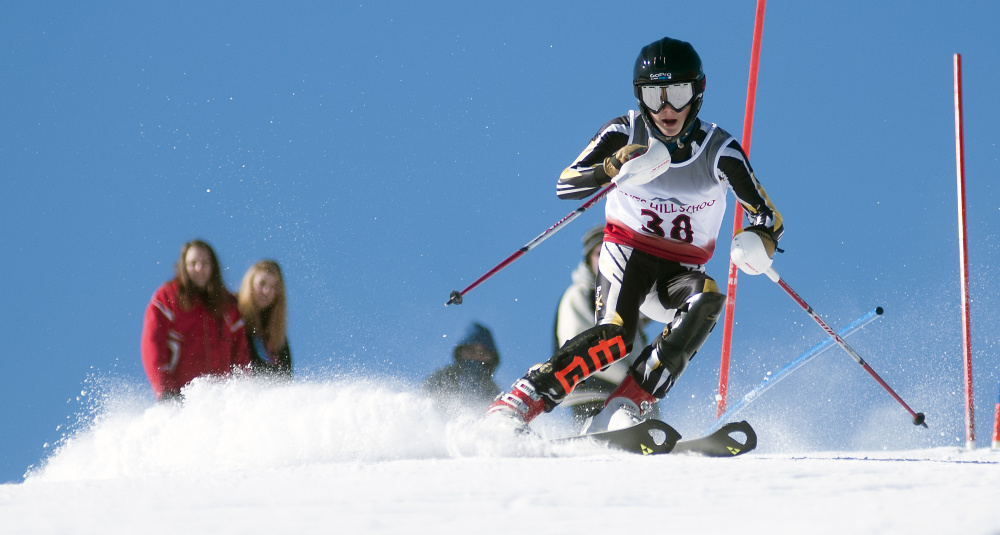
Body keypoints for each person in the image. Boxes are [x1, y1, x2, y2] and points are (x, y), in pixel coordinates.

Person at [488, 36, 783, 433]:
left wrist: (760, 244)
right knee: (615, 339)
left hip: (678, 270)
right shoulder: (625, 131)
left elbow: (767, 216)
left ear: (698, 92)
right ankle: (522, 400)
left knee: (709, 298)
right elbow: (566, 184)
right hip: (627, 252)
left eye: (677, 93)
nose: (666, 108)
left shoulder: (719, 151)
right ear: (639, 95)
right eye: (653, 94)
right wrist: (609, 167)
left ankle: (626, 403)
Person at [555, 225, 654, 426]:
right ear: (588, 260)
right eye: (599, 254)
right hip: (595, 392)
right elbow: (577, 343)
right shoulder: (579, 295)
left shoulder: (628, 303)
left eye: (612, 254)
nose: (605, 260)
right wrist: (628, 381)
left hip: (630, 396)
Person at [141, 239, 251, 400]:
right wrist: (165, 389)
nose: (199, 269)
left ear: (213, 266)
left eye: (205, 263)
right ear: (183, 266)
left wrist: (243, 391)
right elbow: (152, 345)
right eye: (193, 263)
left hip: (222, 402)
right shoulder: (168, 298)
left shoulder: (228, 307)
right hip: (180, 397)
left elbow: (241, 355)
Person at [424, 322, 502, 414]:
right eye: (471, 350)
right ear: (461, 352)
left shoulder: (493, 391)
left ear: (491, 358)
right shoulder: (442, 377)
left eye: (483, 353)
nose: (477, 356)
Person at [237, 260, 293, 379]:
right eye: (262, 284)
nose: (266, 291)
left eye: (273, 287)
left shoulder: (276, 334)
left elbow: (287, 379)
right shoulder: (234, 317)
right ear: (250, 284)